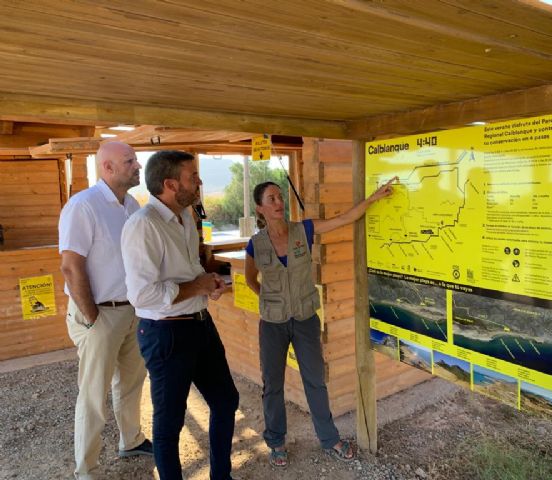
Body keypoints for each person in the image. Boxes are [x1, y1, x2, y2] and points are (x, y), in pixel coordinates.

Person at [245, 177, 397, 467]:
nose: (279, 203)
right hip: (272, 325)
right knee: (272, 385)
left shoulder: (304, 229)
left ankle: (329, 439)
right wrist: (268, 300)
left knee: (315, 381)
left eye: (280, 197)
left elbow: (345, 218)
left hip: (305, 320)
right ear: (260, 208)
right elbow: (251, 278)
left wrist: (374, 197)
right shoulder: (255, 244)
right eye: (272, 199)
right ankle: (276, 442)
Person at [121, 150, 239, 480]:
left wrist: (207, 283)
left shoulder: (186, 217)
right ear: (171, 184)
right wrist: (196, 286)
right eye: (193, 177)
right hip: (166, 333)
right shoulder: (143, 226)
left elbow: (189, 271)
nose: (200, 182)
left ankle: (221, 476)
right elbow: (142, 295)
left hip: (200, 324)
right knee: (170, 421)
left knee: (226, 400)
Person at [59, 141, 152, 480]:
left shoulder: (131, 204)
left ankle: (131, 440)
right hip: (100, 313)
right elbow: (71, 267)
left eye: (136, 160)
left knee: (131, 383)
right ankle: (86, 469)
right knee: (93, 394)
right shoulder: (83, 206)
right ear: (107, 168)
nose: (137, 166)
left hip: (132, 311)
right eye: (129, 161)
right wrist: (92, 317)